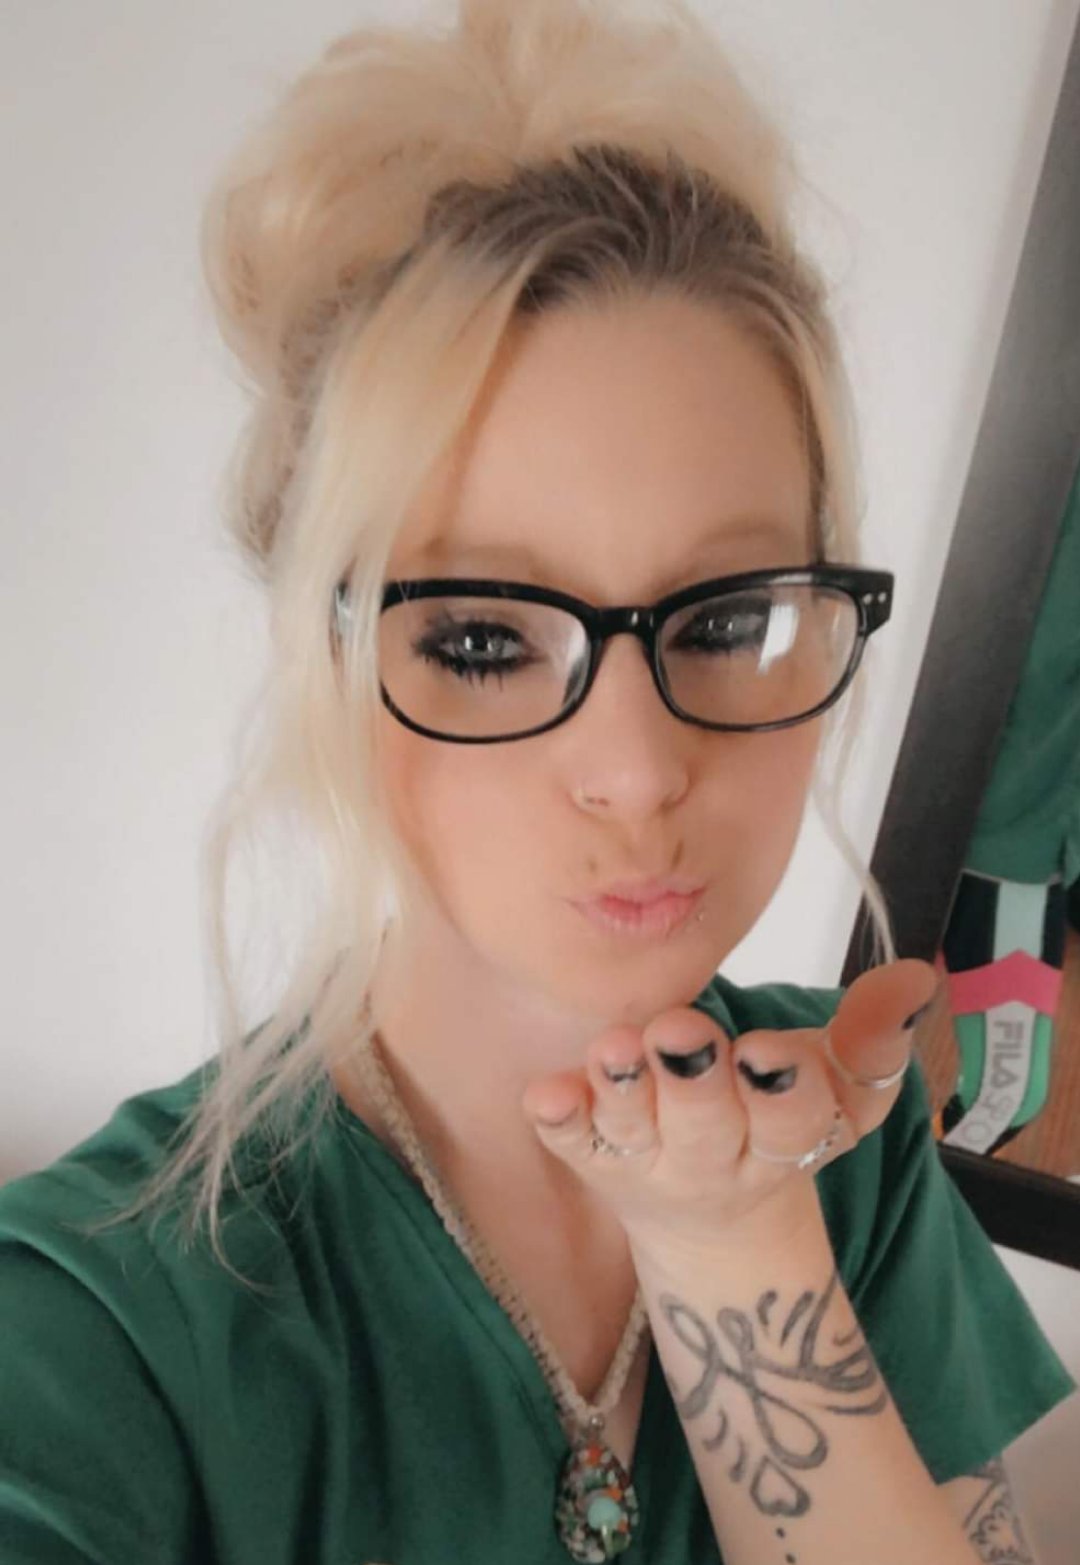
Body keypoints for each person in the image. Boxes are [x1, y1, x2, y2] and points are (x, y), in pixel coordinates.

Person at [1, 2, 1074, 1562]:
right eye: (485, 640)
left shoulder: (840, 1134)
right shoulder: (101, 1331)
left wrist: (736, 1244)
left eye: (727, 621)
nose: (638, 772)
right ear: (328, 657)